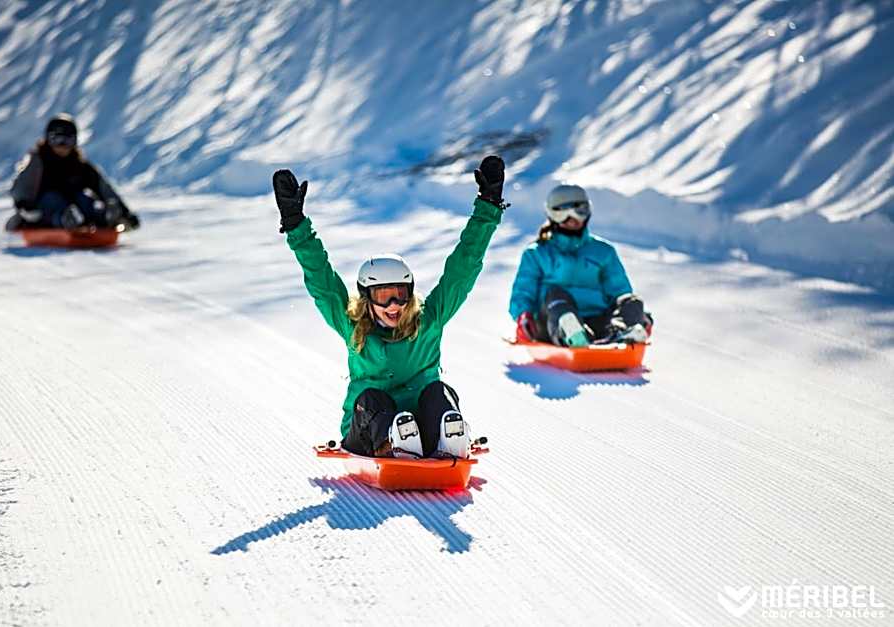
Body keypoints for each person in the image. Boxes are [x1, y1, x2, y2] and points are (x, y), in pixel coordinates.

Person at [274, 156, 506, 459]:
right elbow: (322, 280)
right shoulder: (353, 326)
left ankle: (445, 440)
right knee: (372, 399)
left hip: (422, 426)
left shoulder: (429, 321)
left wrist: (487, 207)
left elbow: (462, 269)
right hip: (369, 430)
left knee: (439, 392)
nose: (394, 305)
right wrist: (296, 225)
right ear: (367, 298)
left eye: (401, 294)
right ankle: (394, 444)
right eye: (384, 296)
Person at [509, 184, 651, 347]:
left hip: (596, 322)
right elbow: (523, 292)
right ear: (552, 214)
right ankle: (569, 333)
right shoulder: (537, 253)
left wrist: (637, 314)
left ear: (588, 211)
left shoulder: (604, 251)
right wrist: (523, 315)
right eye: (562, 212)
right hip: (550, 322)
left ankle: (623, 333)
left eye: (579, 210)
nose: (572, 218)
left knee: (631, 300)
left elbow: (619, 291)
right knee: (556, 294)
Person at [6, 113, 140, 232]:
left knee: (85, 198)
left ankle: (105, 218)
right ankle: (65, 220)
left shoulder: (80, 165)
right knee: (52, 199)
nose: (62, 145)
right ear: (48, 139)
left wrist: (125, 213)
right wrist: (24, 205)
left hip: (77, 209)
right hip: (43, 213)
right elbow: (20, 188)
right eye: (57, 139)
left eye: (67, 140)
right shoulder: (37, 162)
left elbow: (104, 188)